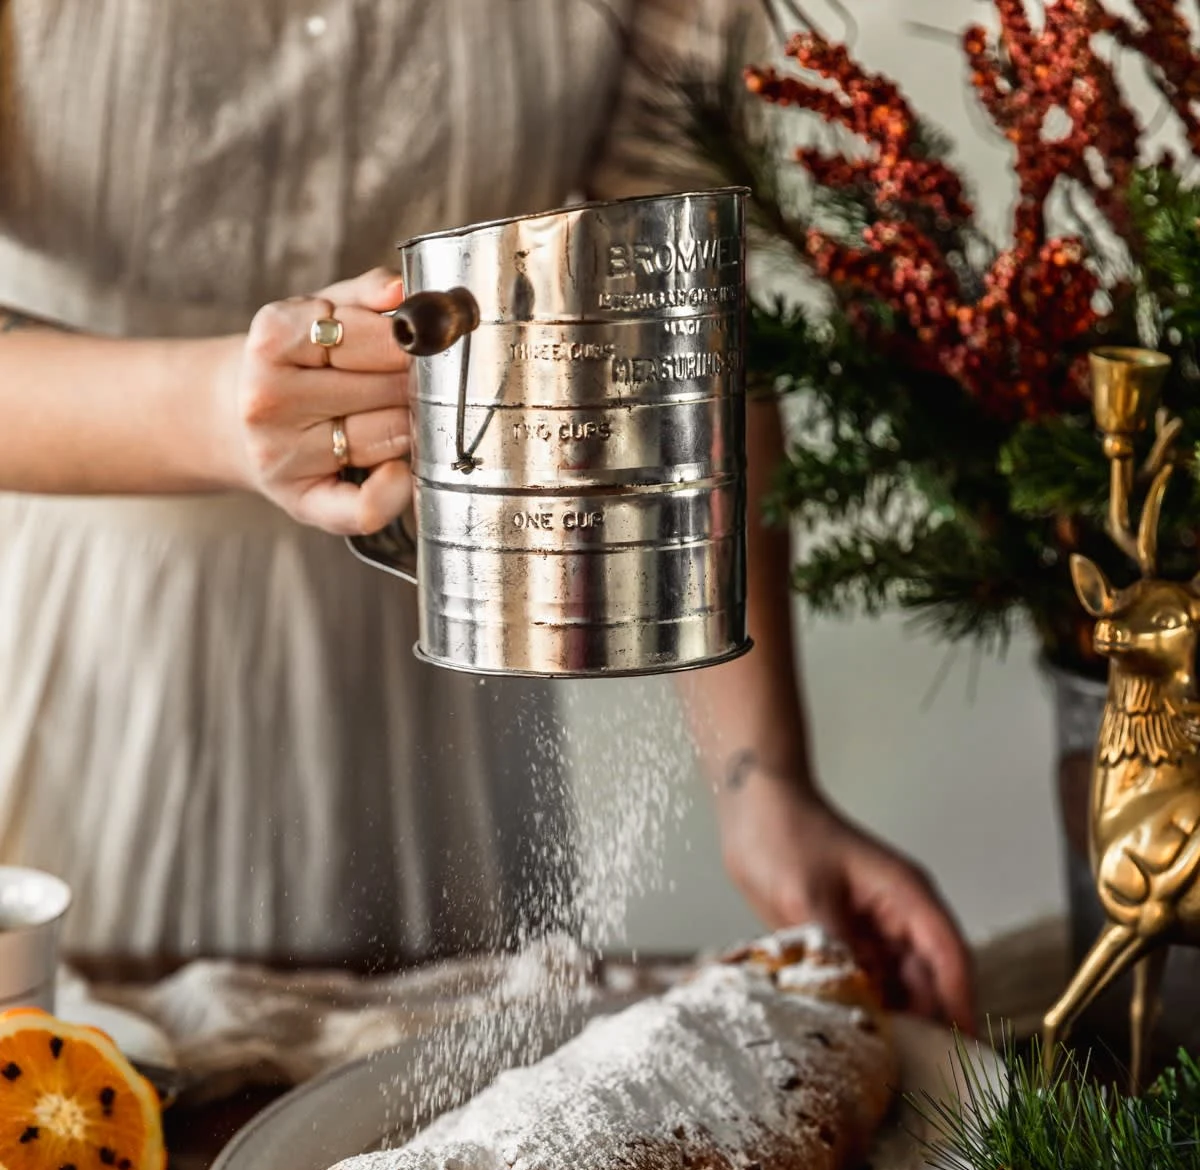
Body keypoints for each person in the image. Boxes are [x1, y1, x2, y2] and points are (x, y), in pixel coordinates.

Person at [0, 0, 973, 1028]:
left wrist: (763, 786)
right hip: (81, 679)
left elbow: (684, 328)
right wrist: (212, 412)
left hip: (446, 688)